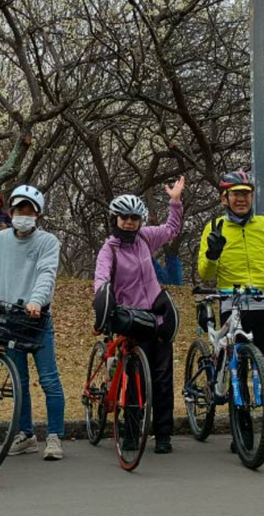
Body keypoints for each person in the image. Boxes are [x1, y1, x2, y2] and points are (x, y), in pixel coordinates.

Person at [197, 170, 264, 454]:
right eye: (236, 194)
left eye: (246, 193)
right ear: (224, 198)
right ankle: (243, 430)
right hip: (232, 303)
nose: (241, 199)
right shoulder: (214, 226)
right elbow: (205, 272)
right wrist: (213, 254)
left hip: (263, 302)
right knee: (237, 370)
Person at [93, 178, 185, 454]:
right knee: (133, 380)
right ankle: (131, 432)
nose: (130, 223)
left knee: (162, 377)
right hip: (130, 319)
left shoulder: (146, 238)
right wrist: (103, 305)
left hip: (156, 316)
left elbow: (172, 229)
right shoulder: (109, 249)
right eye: (125, 218)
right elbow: (100, 280)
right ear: (115, 219)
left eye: (134, 218)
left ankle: (164, 434)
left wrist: (176, 201)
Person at [0, 184, 66, 460]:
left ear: (38, 215)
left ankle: (54, 436)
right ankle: (26, 434)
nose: (24, 215)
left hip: (36, 318)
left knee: (49, 379)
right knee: (18, 380)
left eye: (30, 211)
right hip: (9, 319)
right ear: (11, 211)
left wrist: (36, 300)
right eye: (20, 209)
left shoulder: (48, 242)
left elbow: (46, 275)